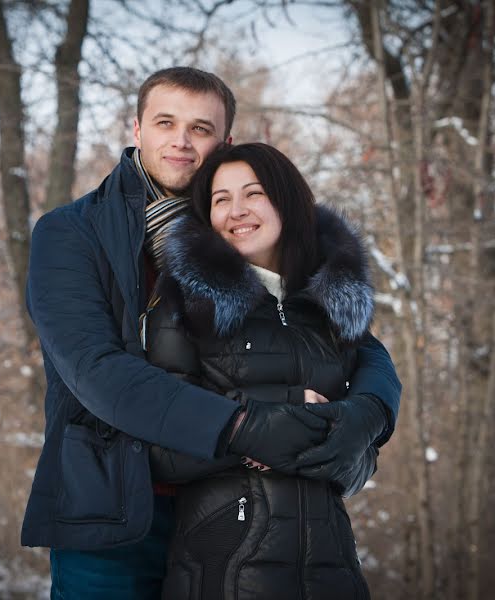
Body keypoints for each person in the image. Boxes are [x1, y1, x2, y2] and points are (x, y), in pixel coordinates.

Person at [21, 67, 401, 600]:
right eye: (165, 122)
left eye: (200, 128)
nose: (180, 140)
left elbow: (349, 338)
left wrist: (371, 412)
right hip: (115, 505)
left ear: (223, 141)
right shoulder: (72, 232)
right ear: (137, 129)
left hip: (223, 506)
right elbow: (96, 370)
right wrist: (248, 426)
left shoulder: (237, 226)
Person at [144, 142, 386, 599]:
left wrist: (345, 449)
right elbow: (162, 447)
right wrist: (283, 416)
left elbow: (361, 457)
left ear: (286, 202)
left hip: (332, 570)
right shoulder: (184, 303)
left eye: (253, 193)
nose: (237, 210)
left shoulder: (329, 309)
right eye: (221, 199)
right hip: (226, 569)